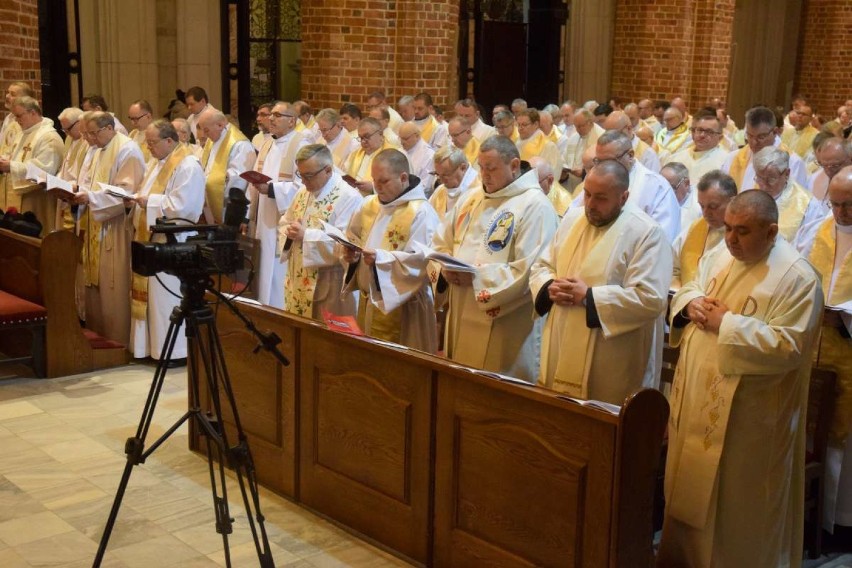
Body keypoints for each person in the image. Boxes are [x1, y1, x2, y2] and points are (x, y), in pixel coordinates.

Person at [659, 190, 823, 567]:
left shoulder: (797, 277)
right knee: (687, 500)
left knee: (738, 514)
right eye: (729, 228)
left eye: (743, 231)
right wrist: (692, 304)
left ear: (771, 232)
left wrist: (726, 324)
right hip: (696, 403)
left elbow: (790, 347)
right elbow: (690, 286)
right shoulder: (720, 254)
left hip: (750, 425)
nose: (731, 239)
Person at [530, 160, 671, 403]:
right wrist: (549, 285)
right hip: (561, 342)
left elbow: (650, 299)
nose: (590, 205)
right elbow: (543, 265)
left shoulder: (647, 233)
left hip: (610, 360)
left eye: (601, 198)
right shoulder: (573, 218)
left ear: (624, 197)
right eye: (587, 194)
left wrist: (589, 297)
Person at [430, 136, 559, 382]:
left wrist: (477, 279)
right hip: (460, 307)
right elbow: (441, 242)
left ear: (513, 165)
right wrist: (445, 271)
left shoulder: (535, 206)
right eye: (481, 167)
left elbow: (531, 269)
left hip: (505, 325)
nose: (484, 175)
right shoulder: (472, 198)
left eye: (491, 168)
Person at [798, 165, 852, 535]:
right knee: (811, 428)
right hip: (813, 348)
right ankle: (809, 517)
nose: (841, 213)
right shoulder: (815, 231)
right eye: (835, 204)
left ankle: (843, 522)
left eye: (849, 205)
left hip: (847, 350)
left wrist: (846, 318)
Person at [342, 148, 439, 351]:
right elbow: (351, 238)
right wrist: (351, 256)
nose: (377, 188)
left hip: (405, 311)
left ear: (403, 177)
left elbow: (422, 262)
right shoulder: (369, 205)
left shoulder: (421, 212)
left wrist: (381, 259)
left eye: (383, 181)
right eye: (374, 180)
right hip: (369, 303)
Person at [128, 120, 205, 364]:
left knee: (166, 299)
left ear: (170, 141)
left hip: (174, 242)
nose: (148, 147)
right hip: (153, 239)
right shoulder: (157, 162)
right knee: (152, 298)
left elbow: (184, 208)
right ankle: (151, 348)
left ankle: (174, 352)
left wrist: (148, 202)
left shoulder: (188, 165)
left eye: (152, 142)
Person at [73, 111, 146, 346]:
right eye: (88, 133)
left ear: (108, 128)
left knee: (113, 281)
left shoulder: (127, 149)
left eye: (93, 133)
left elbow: (126, 192)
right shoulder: (97, 149)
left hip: (115, 226)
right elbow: (89, 181)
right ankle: (97, 332)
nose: (90, 138)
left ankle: (117, 338)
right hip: (95, 220)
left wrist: (91, 198)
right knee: (95, 283)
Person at [278, 144, 362, 319]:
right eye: (300, 175)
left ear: (328, 170)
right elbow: (285, 222)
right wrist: (290, 231)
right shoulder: (303, 192)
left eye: (308, 176)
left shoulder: (349, 197)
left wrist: (306, 235)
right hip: (298, 279)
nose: (303, 181)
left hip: (330, 283)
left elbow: (348, 244)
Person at [247, 101, 311, 309]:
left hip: (283, 219)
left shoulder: (301, 145)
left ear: (291, 121)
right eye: (271, 115)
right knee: (264, 268)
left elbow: (305, 186)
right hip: (263, 215)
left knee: (277, 271)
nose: (271, 119)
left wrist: (272, 189)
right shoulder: (267, 143)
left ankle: (279, 311)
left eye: (277, 115)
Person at [574, 130, 681, 243]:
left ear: (630, 155)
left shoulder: (657, 186)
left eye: (609, 160)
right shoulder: (596, 179)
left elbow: (662, 238)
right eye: (598, 161)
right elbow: (575, 216)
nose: (604, 166)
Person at [0, 96, 64, 233]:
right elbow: (16, 158)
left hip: (38, 198)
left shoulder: (49, 137)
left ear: (33, 112)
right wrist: (5, 160)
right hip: (21, 195)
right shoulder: (23, 133)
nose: (16, 121)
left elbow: (45, 170)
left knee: (36, 238)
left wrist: (10, 166)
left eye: (19, 116)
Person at [671, 170, 737, 289]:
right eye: (702, 206)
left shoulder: (743, 235)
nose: (706, 213)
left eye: (713, 206)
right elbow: (673, 268)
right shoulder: (694, 228)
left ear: (732, 201)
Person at [722, 105, 808, 191]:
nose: (754, 142)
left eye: (761, 137)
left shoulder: (793, 162)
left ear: (775, 132)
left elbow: (794, 199)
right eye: (750, 136)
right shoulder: (733, 158)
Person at [752, 146, 825, 243]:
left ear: (786, 174)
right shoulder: (752, 194)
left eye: (771, 179)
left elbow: (809, 246)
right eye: (759, 178)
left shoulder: (809, 206)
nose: (764, 186)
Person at [196, 109, 254, 224]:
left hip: (228, 206)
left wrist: (208, 184)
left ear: (220, 125)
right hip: (209, 203)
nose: (204, 135)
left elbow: (238, 179)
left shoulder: (240, 145)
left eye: (206, 131)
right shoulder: (212, 141)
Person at [343, 117, 401, 197]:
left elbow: (399, 185)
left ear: (380, 134)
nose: (363, 141)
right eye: (361, 138)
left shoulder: (394, 155)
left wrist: (373, 188)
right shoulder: (355, 154)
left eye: (367, 136)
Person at [665, 112, 728, 182]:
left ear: (720, 138)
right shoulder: (676, 157)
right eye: (700, 130)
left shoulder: (725, 161)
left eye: (709, 132)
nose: (702, 135)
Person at [54, 107, 89, 230]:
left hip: (75, 194)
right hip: (65, 191)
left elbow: (82, 173)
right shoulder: (70, 139)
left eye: (68, 129)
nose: (66, 133)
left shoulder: (88, 142)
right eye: (63, 129)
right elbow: (66, 165)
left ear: (79, 123)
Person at [428, 145, 481, 220]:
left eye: (446, 175)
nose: (441, 180)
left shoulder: (481, 190)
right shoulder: (440, 191)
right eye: (438, 174)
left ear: (463, 168)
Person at [563, 109, 604, 191]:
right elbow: (564, 157)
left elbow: (603, 164)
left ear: (590, 122)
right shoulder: (573, 138)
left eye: (580, 126)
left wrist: (583, 173)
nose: (578, 130)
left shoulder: (602, 138)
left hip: (590, 183)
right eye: (576, 126)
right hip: (570, 181)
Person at [515, 109, 562, 175]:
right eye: (518, 125)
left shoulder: (548, 146)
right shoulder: (516, 143)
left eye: (524, 125)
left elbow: (554, 172)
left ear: (536, 124)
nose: (520, 128)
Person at [661, 161, 701, 232]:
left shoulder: (698, 210)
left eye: (671, 188)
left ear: (686, 184)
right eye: (661, 188)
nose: (664, 193)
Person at [809, 137, 851, 203]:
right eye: (824, 165)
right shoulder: (814, 178)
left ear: (850, 159)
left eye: (835, 166)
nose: (829, 171)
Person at [399, 121, 436, 194]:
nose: (402, 142)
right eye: (400, 138)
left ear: (417, 136)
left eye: (405, 139)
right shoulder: (400, 150)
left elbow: (426, 186)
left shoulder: (429, 155)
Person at [0, 81, 34, 156]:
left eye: (12, 94)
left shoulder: (29, 119)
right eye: (8, 92)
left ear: (25, 99)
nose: (7, 96)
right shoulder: (9, 118)